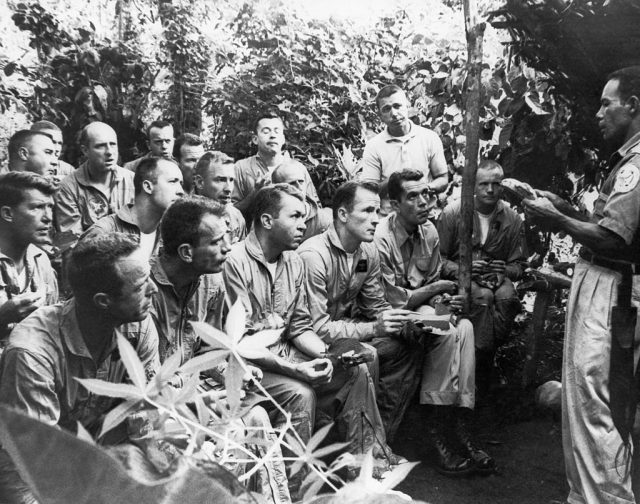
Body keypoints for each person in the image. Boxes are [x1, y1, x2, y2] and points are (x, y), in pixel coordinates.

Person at [223, 184, 400, 479]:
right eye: (294, 217)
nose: (303, 224)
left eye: (304, 217)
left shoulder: (292, 261)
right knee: (301, 392)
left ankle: (363, 467)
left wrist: (329, 356)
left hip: (286, 355)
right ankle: (295, 484)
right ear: (267, 221)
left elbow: (300, 326)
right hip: (249, 364)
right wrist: (298, 368)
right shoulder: (235, 262)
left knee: (353, 369)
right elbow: (242, 344)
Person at [522, 66, 640, 504]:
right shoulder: (627, 160)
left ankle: (607, 499)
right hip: (604, 281)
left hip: (612, 288)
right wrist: (565, 207)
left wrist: (556, 220)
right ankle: (585, 495)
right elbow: (609, 223)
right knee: (586, 394)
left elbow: (613, 240)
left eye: (607, 103)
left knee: (595, 399)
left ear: (633, 106)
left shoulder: (637, 165)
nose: (599, 113)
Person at [149, 196, 291, 503]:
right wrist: (203, 397)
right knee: (231, 432)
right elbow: (149, 384)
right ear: (186, 252)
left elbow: (205, 350)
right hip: (157, 405)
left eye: (227, 238)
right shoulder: (144, 292)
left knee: (257, 419)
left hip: (191, 392)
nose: (228, 247)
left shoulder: (209, 282)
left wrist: (231, 369)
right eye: (216, 242)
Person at [0, 233, 159, 503]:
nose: (154, 289)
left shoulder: (137, 324)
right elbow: (29, 467)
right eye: (141, 286)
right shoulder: (33, 352)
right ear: (103, 301)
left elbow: (146, 417)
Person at [374, 169, 494, 475]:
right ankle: (435, 431)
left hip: (422, 310)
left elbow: (433, 281)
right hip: (389, 314)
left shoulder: (429, 232)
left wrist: (443, 301)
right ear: (395, 204)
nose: (423, 202)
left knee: (463, 327)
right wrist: (435, 292)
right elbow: (392, 298)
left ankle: (457, 422)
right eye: (412, 196)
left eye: (426, 193)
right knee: (443, 330)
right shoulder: (381, 238)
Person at [297, 180, 421, 445]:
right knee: (369, 354)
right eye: (367, 211)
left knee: (404, 348)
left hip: (345, 331)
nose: (376, 220)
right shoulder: (313, 255)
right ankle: (360, 446)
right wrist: (373, 329)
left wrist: (403, 322)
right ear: (343, 214)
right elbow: (317, 327)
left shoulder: (367, 250)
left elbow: (374, 304)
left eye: (377, 212)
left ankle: (382, 437)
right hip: (311, 343)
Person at [437, 160, 525, 396]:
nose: (489, 190)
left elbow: (520, 265)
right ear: (473, 186)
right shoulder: (454, 213)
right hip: (465, 282)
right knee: (482, 297)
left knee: (507, 297)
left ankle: (489, 357)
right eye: (483, 184)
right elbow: (439, 260)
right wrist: (463, 269)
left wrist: (505, 269)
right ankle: (479, 368)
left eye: (495, 184)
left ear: (502, 187)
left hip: (498, 281)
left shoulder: (512, 219)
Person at [81, 157, 184, 259]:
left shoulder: (170, 232)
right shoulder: (104, 232)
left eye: (181, 183)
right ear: (148, 187)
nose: (181, 191)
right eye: (172, 181)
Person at [54, 122, 135, 252]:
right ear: (85, 150)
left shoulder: (133, 181)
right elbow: (72, 243)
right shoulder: (68, 187)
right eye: (100, 146)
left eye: (113, 144)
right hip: (90, 263)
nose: (109, 152)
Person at [0, 172, 58, 343]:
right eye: (37, 207)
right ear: (8, 213)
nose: (48, 218)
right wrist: (2, 316)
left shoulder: (41, 260)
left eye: (50, 207)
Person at [359, 84, 448, 193]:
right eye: (386, 109)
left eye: (397, 106)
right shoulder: (373, 146)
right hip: (391, 209)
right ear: (380, 115)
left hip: (425, 207)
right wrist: (394, 181)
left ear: (407, 105)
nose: (394, 114)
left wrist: (425, 188)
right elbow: (368, 192)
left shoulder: (429, 138)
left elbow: (443, 179)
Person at [232, 111, 320, 220]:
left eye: (277, 131)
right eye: (266, 131)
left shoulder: (298, 168)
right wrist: (255, 193)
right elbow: (231, 213)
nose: (272, 135)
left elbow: (315, 206)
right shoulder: (240, 168)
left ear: (283, 139)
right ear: (255, 139)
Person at [193, 151, 247, 243]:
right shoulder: (184, 216)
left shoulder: (235, 215)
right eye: (221, 180)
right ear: (199, 182)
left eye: (231, 180)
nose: (228, 188)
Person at [271, 162, 331, 242]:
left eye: (301, 181)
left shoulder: (323, 219)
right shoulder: (271, 220)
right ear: (278, 188)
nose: (299, 187)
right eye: (292, 183)